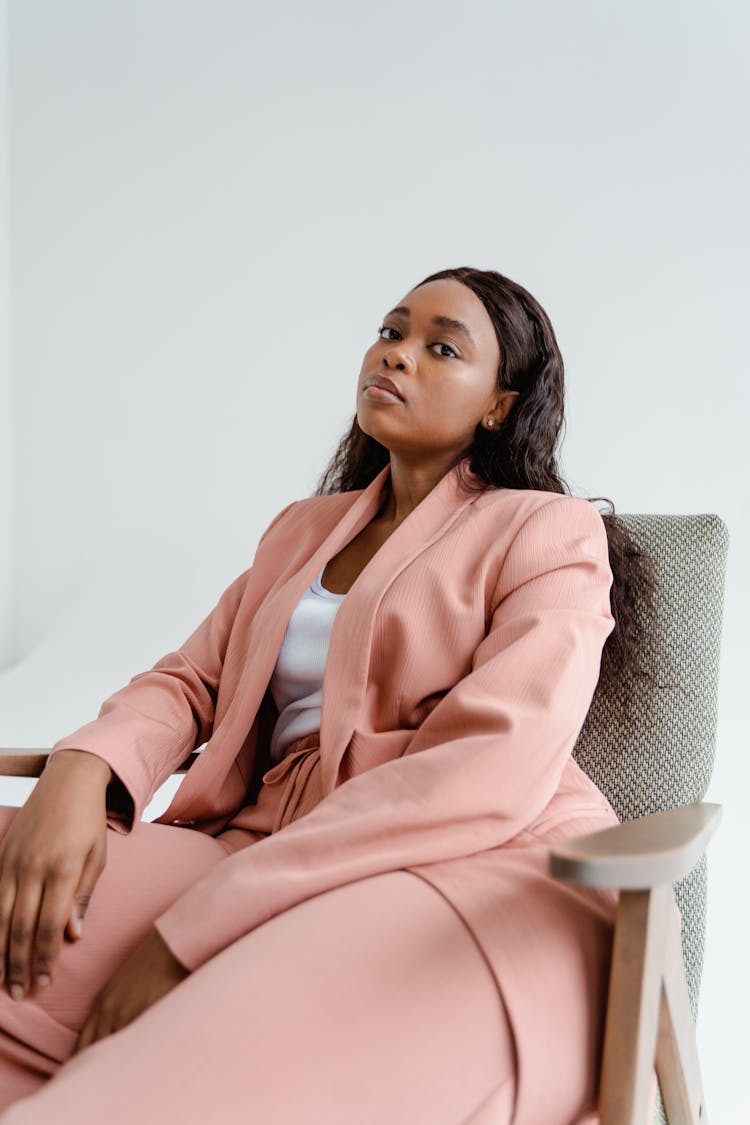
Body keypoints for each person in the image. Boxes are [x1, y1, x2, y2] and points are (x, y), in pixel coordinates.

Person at [0, 267, 654, 1123]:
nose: (397, 355)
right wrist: (83, 769)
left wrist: (187, 931)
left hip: (477, 863)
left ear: (500, 403)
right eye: (390, 331)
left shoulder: (544, 531)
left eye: (441, 345)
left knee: (197, 1065)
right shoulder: (301, 530)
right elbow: (189, 679)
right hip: (261, 843)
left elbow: (489, 765)